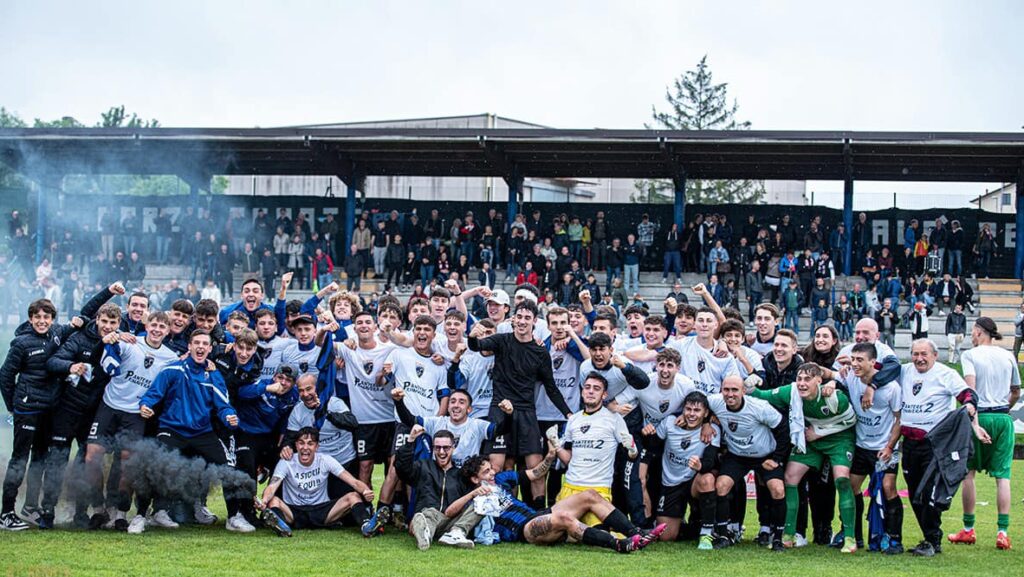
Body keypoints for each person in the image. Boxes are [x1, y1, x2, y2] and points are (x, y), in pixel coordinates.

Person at [0, 283, 120, 531]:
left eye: (46, 317)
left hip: (71, 410)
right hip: (48, 408)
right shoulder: (32, 342)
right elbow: (18, 372)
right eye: (37, 317)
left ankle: (68, 511)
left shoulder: (60, 333)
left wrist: (109, 291)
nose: (42, 321)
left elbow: (87, 312)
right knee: (37, 459)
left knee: (64, 460)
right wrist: (13, 405)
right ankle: (26, 511)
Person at [468, 300, 572, 510]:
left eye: (527, 318)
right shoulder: (501, 340)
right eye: (519, 317)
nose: (522, 321)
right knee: (497, 467)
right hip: (499, 410)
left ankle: (539, 515)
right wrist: (472, 334)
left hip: (526, 412)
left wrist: (569, 413)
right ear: (513, 319)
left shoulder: (540, 351)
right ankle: (499, 513)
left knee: (536, 467)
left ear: (535, 321)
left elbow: (551, 387)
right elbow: (476, 346)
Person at [458, 448, 664, 553]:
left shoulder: (501, 479)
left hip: (535, 515)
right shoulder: (473, 502)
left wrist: (549, 457)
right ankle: (619, 544)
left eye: (491, 469)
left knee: (590, 495)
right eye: (486, 472)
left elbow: (534, 473)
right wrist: (471, 495)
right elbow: (451, 513)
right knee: (564, 518)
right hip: (523, 530)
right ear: (475, 479)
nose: (493, 473)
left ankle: (636, 533)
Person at [749, 363, 859, 552]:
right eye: (799, 378)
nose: (801, 383)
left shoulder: (833, 397)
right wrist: (749, 384)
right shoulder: (791, 392)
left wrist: (819, 433)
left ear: (819, 380)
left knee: (841, 479)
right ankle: (788, 534)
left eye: (807, 379)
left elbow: (851, 420)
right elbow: (761, 396)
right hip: (810, 439)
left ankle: (850, 538)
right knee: (790, 478)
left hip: (839, 439)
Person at [898, 339, 985, 557]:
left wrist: (969, 404)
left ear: (935, 355)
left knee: (928, 492)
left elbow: (967, 393)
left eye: (924, 354)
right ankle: (928, 537)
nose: (919, 358)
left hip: (934, 445)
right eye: (915, 353)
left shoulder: (945, 374)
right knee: (914, 493)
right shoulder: (904, 371)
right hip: (909, 443)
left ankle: (932, 540)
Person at [948, 318, 1020, 550]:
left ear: (979, 332)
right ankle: (1002, 532)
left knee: (968, 473)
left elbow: (971, 392)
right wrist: (1004, 410)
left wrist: (976, 424)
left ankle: (969, 529)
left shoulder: (971, 355)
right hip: (1002, 417)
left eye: (973, 332)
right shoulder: (1008, 354)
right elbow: (1016, 391)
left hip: (979, 416)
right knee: (1003, 476)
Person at [710, 375, 790, 551]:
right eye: (726, 390)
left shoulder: (759, 407)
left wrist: (776, 458)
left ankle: (777, 538)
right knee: (721, 486)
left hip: (764, 455)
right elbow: (699, 405)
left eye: (734, 390)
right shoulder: (715, 402)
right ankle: (723, 535)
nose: (730, 394)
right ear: (721, 390)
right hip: (737, 456)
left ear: (743, 391)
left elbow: (783, 428)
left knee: (777, 489)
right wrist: (707, 422)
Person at [839, 343, 904, 553]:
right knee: (851, 487)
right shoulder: (850, 377)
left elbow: (899, 420)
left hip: (884, 448)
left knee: (888, 488)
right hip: (861, 446)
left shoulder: (891, 388)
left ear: (872, 362)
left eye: (860, 360)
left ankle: (894, 540)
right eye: (853, 359)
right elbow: (828, 375)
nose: (855, 363)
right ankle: (853, 536)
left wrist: (889, 446)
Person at [257, 427, 375, 536]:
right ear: (296, 445)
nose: (305, 448)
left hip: (322, 511)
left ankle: (367, 525)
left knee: (353, 496)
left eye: (310, 444)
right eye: (301, 443)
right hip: (293, 511)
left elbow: (353, 482)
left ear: (317, 447)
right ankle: (281, 525)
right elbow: (272, 486)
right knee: (273, 500)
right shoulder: (286, 462)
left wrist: (365, 491)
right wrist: (265, 501)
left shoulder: (325, 460)